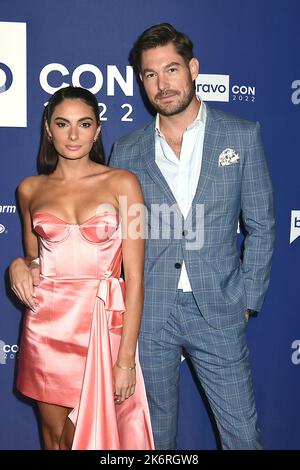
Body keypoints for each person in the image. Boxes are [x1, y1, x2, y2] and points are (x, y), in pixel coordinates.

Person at [108, 23, 275, 449]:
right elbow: (111, 237)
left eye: (171, 70)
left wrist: (246, 299)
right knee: (151, 437)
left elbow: (261, 225)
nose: (162, 85)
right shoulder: (126, 150)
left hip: (218, 309)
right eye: (150, 75)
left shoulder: (240, 135)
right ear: (141, 81)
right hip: (148, 314)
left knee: (242, 435)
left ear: (193, 68)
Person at [9, 86, 154, 450]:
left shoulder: (126, 184)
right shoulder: (29, 189)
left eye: (84, 124)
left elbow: (134, 277)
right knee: (56, 439)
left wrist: (125, 361)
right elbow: (33, 259)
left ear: (97, 130)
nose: (73, 135)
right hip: (47, 329)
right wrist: (17, 266)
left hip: (102, 329)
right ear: (48, 128)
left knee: (92, 440)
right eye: (63, 124)